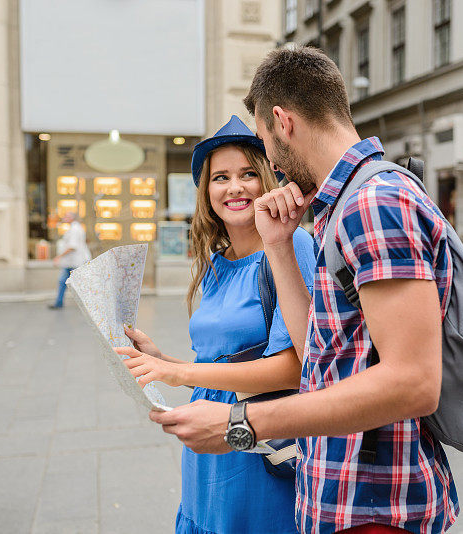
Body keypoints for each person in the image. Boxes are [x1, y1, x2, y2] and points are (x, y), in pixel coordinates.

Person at [148, 47, 459, 533]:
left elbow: (414, 383)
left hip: (374, 500)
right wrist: (276, 245)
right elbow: (320, 355)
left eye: (262, 152)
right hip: (338, 490)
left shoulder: (374, 203)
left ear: (281, 122)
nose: (271, 163)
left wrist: (240, 423)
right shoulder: (344, 205)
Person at [116, 115, 316, 534]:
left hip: (262, 452)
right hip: (206, 453)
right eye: (220, 177)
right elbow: (221, 369)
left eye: (247, 174)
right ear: (206, 193)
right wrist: (162, 361)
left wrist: (178, 370)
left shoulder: (291, 244)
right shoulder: (215, 265)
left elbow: (297, 365)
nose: (234, 187)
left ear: (268, 180)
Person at [48, 212, 91, 309]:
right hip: (72, 262)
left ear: (72, 218)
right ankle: (59, 302)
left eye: (66, 216)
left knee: (77, 283)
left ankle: (89, 304)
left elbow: (72, 246)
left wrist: (59, 257)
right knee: (64, 281)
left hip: (75, 262)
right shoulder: (74, 228)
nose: (64, 217)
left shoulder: (75, 229)